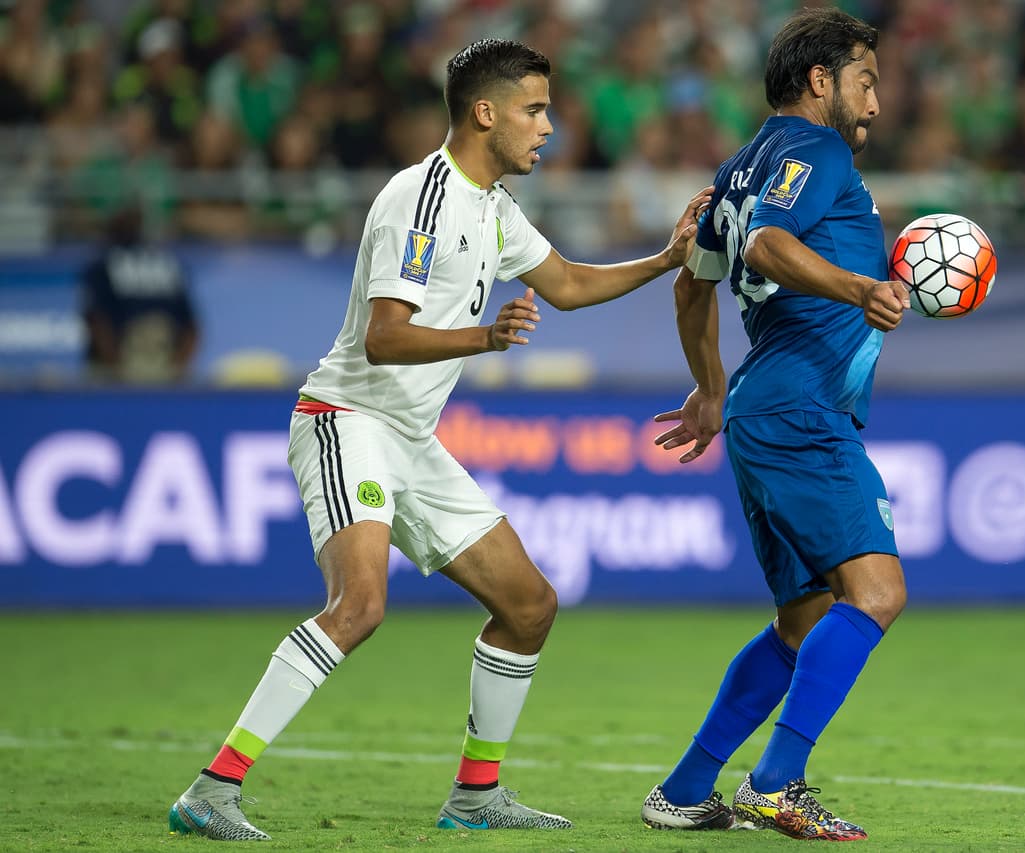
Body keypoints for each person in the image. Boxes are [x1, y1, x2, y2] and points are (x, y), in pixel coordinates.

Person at [168, 38, 711, 841]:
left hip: (410, 439)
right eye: (534, 109)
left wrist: (667, 257)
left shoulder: (492, 205)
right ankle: (213, 787)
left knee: (529, 605)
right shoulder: (420, 200)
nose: (549, 127)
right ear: (485, 112)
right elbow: (386, 338)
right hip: (344, 419)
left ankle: (476, 794)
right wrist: (483, 339)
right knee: (359, 605)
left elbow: (564, 284)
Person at [639, 8, 910, 842]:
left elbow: (693, 284)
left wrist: (712, 390)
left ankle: (685, 790)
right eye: (865, 79)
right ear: (821, 80)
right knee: (876, 592)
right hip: (800, 409)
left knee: (801, 625)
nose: (875, 99)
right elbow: (764, 247)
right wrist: (861, 289)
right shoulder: (815, 151)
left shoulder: (734, 170)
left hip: (762, 407)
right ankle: (776, 782)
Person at [80, 204, 199, 384]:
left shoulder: (102, 265)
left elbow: (96, 321)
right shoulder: (168, 264)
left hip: (123, 372)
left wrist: (116, 370)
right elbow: (192, 329)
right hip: (161, 370)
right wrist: (178, 369)